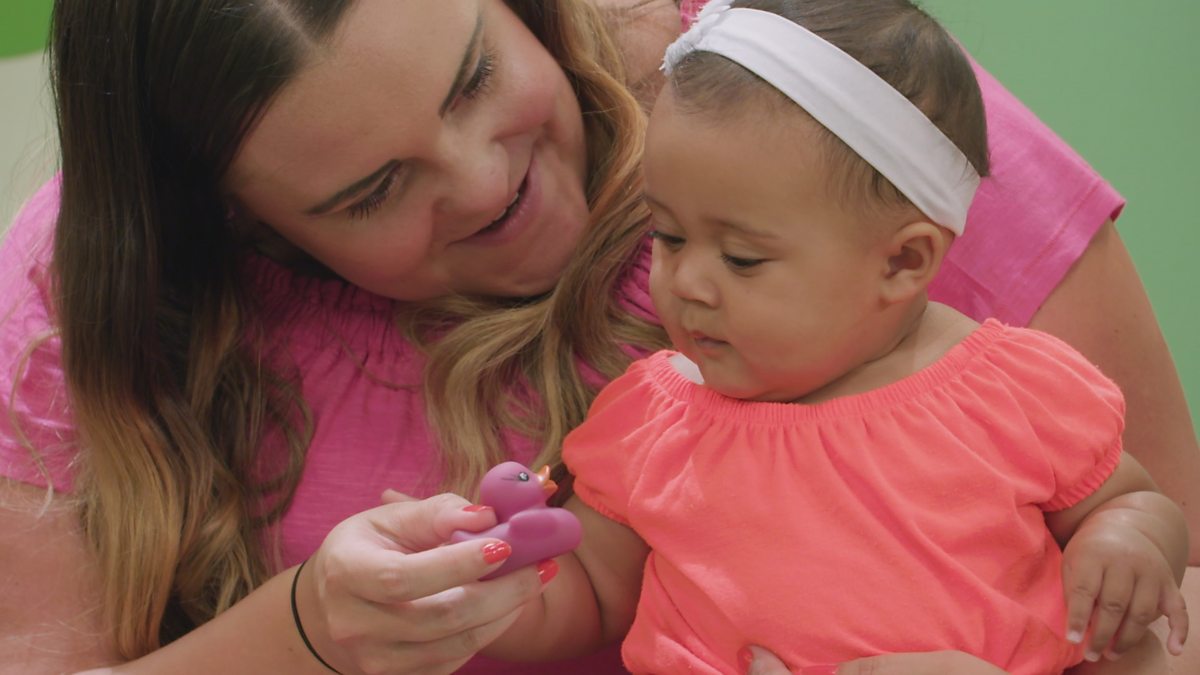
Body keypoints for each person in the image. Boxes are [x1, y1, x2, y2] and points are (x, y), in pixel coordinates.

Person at [0, 0, 1195, 674]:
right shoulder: (658, 413)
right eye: (370, 193)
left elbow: (1152, 545)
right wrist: (369, 618)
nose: (483, 185)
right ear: (242, 226)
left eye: (475, 76)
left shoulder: (825, 114)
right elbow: (596, 581)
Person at [467, 1, 1189, 673]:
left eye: (742, 257)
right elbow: (594, 591)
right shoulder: (654, 419)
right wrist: (501, 584)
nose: (686, 281)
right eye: (669, 235)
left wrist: (1126, 538)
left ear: (904, 260)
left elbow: (1128, 499)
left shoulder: (1011, 393)